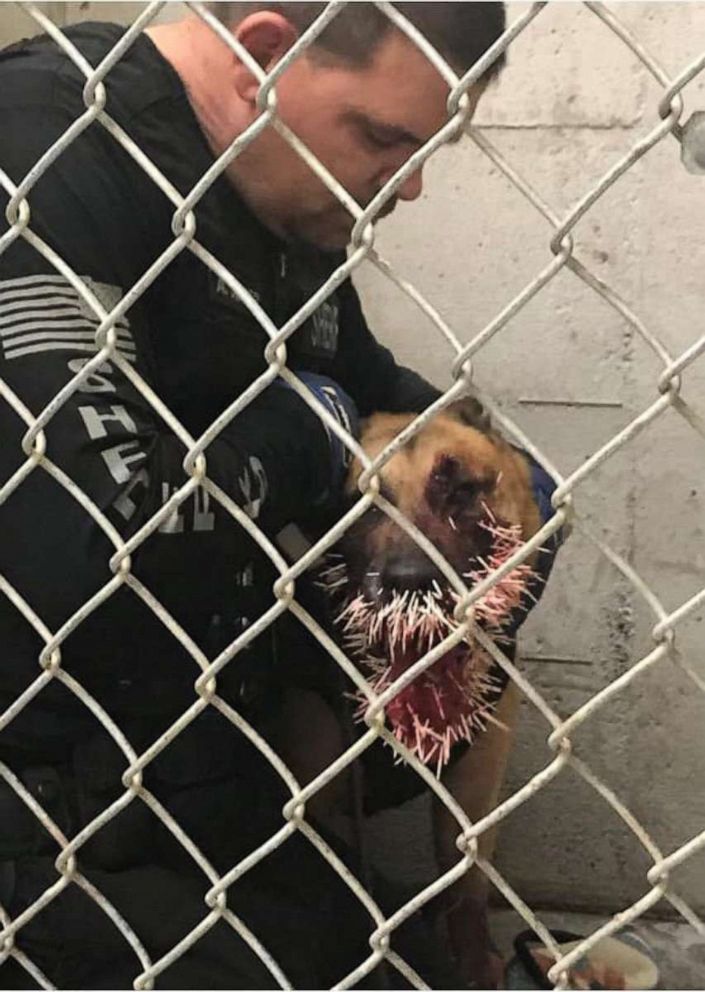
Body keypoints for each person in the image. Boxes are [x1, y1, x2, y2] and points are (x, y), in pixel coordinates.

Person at [0, 3, 561, 987]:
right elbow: (85, 548)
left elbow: (363, 379)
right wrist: (310, 428)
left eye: (429, 148)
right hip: (36, 809)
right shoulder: (50, 148)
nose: (414, 184)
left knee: (416, 966)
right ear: (263, 55)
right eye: (386, 137)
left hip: (194, 772)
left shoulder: (280, 197)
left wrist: (508, 482)